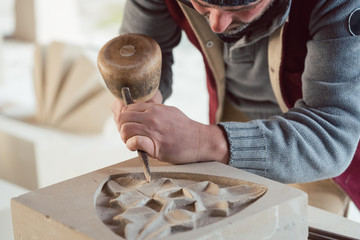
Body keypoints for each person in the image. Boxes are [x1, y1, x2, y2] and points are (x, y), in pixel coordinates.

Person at [112, 0, 360, 215]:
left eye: (244, 7)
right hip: (235, 109)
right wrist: (143, 90)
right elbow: (143, 47)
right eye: (203, 5)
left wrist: (202, 140)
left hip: (316, 137)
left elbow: (330, 135)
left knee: (298, 223)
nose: (217, 25)